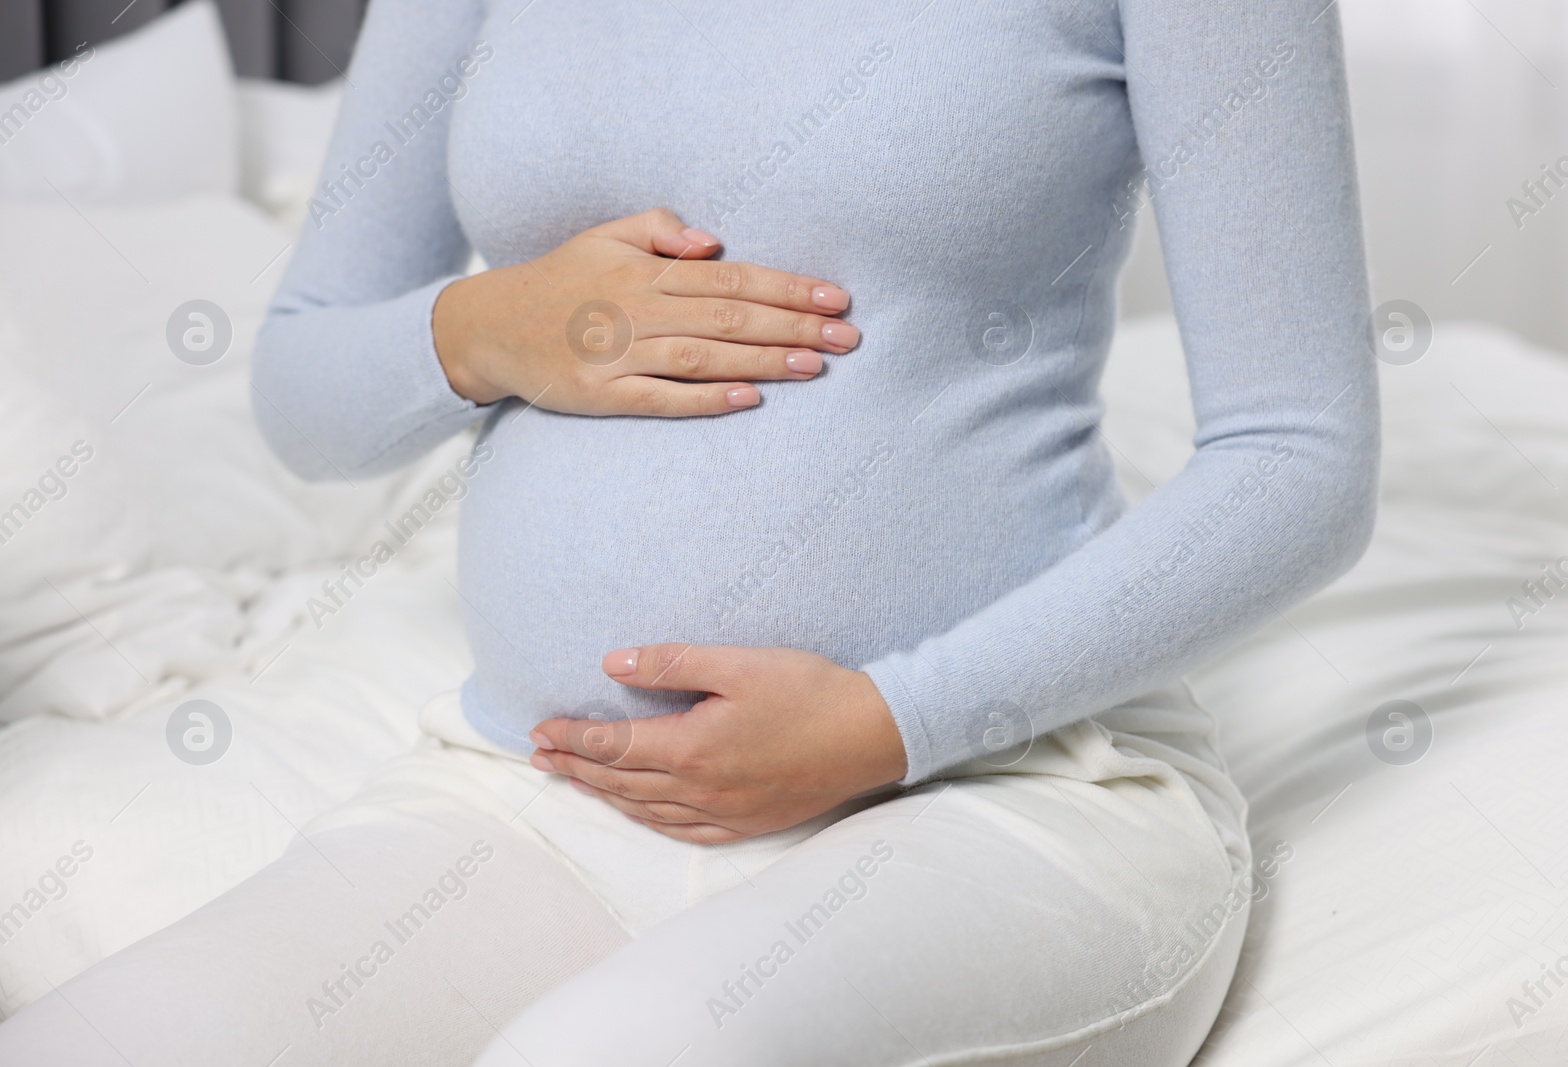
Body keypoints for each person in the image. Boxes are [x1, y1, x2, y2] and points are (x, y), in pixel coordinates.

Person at [0, 0, 1378, 1063]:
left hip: (1004, 793)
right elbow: (305, 397)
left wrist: (892, 720)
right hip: (541, 791)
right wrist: (486, 329)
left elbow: (1300, 458)